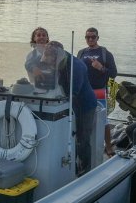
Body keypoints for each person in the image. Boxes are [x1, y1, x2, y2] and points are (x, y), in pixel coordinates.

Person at [41, 41, 97, 176]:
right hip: (69, 102)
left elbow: (74, 93)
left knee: (82, 137)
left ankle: (85, 169)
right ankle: (71, 165)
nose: (48, 62)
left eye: (50, 59)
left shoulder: (77, 66)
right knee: (69, 136)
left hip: (85, 104)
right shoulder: (56, 62)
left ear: (58, 56)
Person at [77, 27, 118, 156]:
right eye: (87, 37)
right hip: (84, 92)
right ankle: (82, 144)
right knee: (81, 118)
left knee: (103, 119)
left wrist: (101, 68)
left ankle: (109, 146)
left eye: (93, 37)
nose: (90, 39)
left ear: (97, 38)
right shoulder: (81, 53)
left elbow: (113, 74)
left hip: (99, 91)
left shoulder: (105, 53)